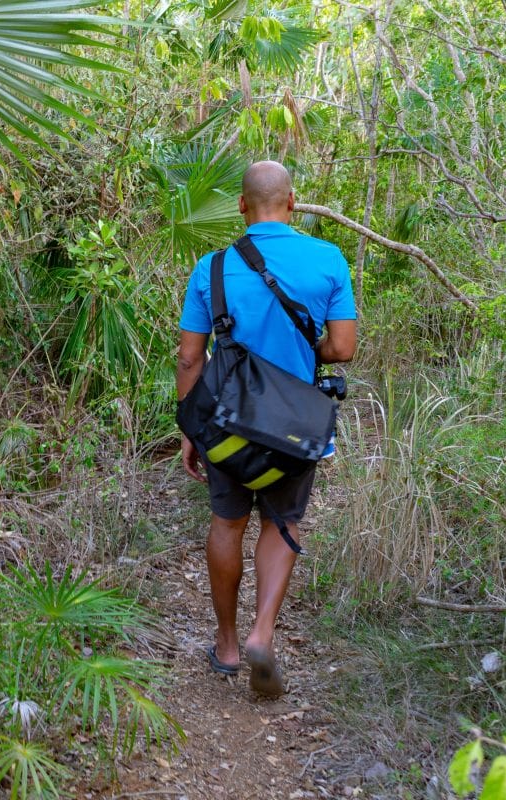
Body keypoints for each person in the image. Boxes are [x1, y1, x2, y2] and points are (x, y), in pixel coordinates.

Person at [176, 160, 357, 697]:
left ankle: (227, 645)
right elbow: (342, 349)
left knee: (227, 523)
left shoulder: (212, 268)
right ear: (293, 202)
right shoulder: (327, 260)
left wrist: (191, 429)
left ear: (241, 206)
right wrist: (308, 350)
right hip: (295, 430)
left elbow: (190, 358)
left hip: (228, 426)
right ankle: (262, 634)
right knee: (282, 524)